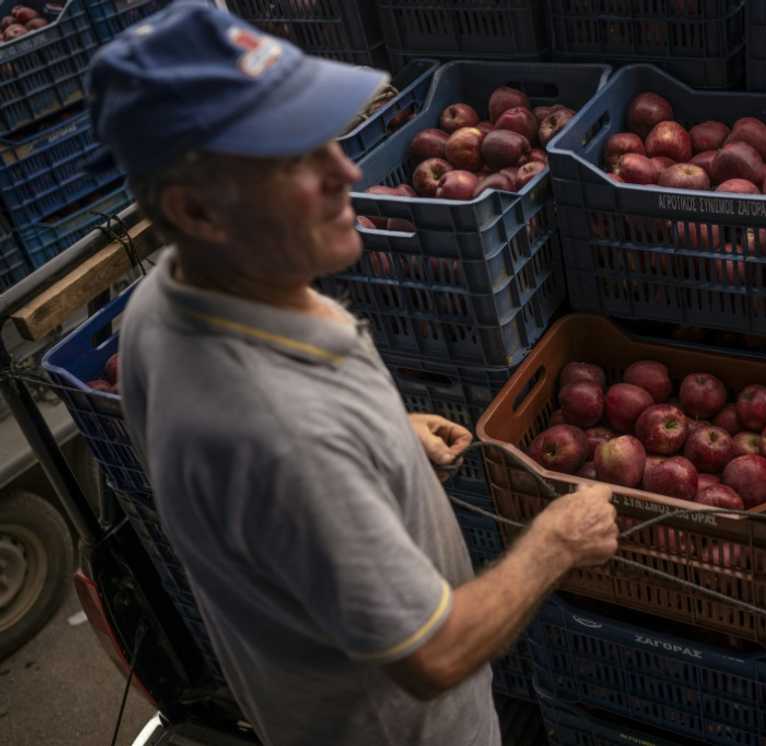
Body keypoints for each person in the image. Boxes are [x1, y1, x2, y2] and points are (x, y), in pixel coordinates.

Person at [87, 4, 619, 745]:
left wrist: (385, 443)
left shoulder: (165, 299)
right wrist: (556, 541)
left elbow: (268, 504)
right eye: (295, 159)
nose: (345, 170)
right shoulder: (285, 435)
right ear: (196, 207)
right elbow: (431, 656)